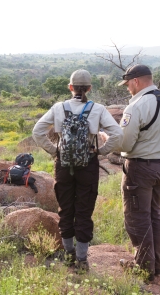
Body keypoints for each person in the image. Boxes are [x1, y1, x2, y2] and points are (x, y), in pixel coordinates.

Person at [32, 69, 122, 272]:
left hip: (63, 165)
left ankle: (69, 255)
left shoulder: (58, 107)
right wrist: (101, 151)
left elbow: (37, 131)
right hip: (88, 165)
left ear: (70, 87)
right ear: (90, 88)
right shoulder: (97, 109)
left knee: (65, 209)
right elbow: (117, 134)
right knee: (84, 211)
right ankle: (82, 260)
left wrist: (55, 151)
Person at [117, 64, 160, 281]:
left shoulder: (135, 107)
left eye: (128, 84)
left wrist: (110, 141)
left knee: (137, 217)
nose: (128, 88)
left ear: (135, 81)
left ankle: (143, 268)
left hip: (140, 168)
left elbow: (125, 144)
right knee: (154, 215)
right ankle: (155, 266)